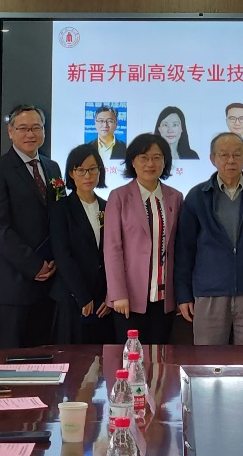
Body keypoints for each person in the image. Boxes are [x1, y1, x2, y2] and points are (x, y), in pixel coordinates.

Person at [175, 132, 243, 344]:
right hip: (209, 294)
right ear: (212, 159)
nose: (231, 160)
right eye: (224, 155)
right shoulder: (197, 196)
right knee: (208, 360)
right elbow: (184, 251)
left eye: (237, 154)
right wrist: (184, 294)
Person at [0, 103, 63, 349]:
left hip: (49, 283)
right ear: (10, 132)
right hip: (12, 285)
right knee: (9, 359)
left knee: (43, 357)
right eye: (23, 128)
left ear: (44, 131)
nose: (30, 134)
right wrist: (34, 265)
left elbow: (59, 215)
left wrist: (56, 258)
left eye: (36, 128)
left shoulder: (52, 168)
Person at [104, 133, 184, 344]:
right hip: (129, 298)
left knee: (160, 356)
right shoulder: (119, 197)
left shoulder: (175, 197)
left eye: (157, 157)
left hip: (164, 297)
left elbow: (179, 248)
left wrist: (180, 294)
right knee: (131, 357)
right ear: (133, 161)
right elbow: (112, 249)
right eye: (144, 158)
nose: (150, 164)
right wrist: (118, 293)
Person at [50, 143, 112, 343]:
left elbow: (113, 253)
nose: (88, 175)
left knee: (101, 357)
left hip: (102, 300)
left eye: (93, 169)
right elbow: (63, 255)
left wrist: (109, 295)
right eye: (81, 170)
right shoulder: (61, 209)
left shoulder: (108, 207)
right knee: (72, 356)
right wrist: (82, 296)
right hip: (72, 297)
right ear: (71, 173)